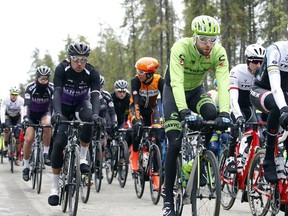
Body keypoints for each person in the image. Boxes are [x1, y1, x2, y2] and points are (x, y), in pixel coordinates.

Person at [162, 15, 231, 215]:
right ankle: (167, 201)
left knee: (211, 114)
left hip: (195, 91)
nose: (208, 44)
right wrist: (183, 111)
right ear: (194, 37)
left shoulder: (218, 52)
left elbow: (224, 83)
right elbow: (176, 82)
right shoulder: (181, 48)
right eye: (203, 39)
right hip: (174, 93)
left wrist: (225, 112)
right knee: (174, 142)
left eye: (212, 39)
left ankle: (200, 159)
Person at [48, 41, 102, 206]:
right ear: (69, 57)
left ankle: (83, 158)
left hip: (80, 105)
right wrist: (57, 113)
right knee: (58, 144)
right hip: (62, 107)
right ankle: (55, 188)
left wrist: (96, 115)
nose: (79, 63)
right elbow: (56, 93)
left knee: (89, 120)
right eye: (76, 59)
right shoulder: (61, 69)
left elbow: (94, 96)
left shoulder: (92, 72)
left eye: (83, 59)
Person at [250, 40, 288, 184]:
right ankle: (269, 157)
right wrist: (284, 109)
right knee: (278, 107)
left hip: (283, 92)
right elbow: (275, 85)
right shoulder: (276, 50)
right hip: (261, 90)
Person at [225, 44, 266, 174]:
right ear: (248, 60)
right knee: (236, 127)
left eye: (261, 62)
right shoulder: (237, 71)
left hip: (249, 107)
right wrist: (238, 116)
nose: (259, 65)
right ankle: (230, 157)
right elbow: (233, 98)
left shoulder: (264, 73)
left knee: (254, 135)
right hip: (235, 104)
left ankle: (250, 163)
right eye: (255, 62)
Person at [129, 57, 164, 172]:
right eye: (137, 71)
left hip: (151, 109)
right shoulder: (136, 81)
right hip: (136, 107)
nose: (138, 74)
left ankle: (156, 171)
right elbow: (136, 99)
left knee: (158, 134)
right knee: (137, 127)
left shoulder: (159, 81)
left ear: (149, 74)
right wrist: (138, 118)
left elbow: (165, 99)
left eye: (141, 72)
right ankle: (134, 154)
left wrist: (164, 117)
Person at [22, 65, 54, 181]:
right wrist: (25, 118)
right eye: (41, 78)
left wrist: (56, 116)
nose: (43, 81)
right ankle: (26, 166)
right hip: (32, 114)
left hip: (44, 113)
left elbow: (55, 104)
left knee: (47, 124)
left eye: (46, 78)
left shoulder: (51, 88)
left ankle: (45, 153)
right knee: (29, 139)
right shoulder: (31, 88)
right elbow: (26, 104)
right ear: (37, 78)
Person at [0, 86, 24, 166]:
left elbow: (23, 111)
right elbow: (2, 111)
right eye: (12, 94)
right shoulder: (5, 100)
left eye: (15, 94)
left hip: (17, 118)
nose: (14, 96)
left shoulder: (21, 100)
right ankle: (6, 146)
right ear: (10, 94)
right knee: (6, 128)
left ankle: (17, 157)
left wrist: (23, 121)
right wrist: (3, 122)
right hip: (8, 116)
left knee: (17, 138)